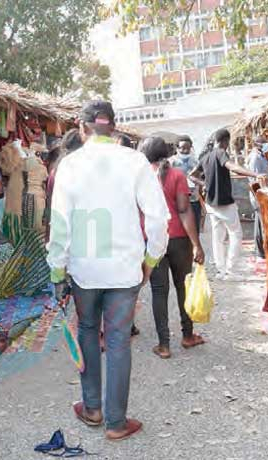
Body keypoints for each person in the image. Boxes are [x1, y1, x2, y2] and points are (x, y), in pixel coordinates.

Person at [48, 100, 170, 441]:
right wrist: (151, 259)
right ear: (114, 126)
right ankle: (116, 422)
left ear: (82, 126)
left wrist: (57, 271)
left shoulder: (69, 165)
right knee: (117, 340)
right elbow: (159, 217)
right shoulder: (135, 161)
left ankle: (92, 408)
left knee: (88, 330)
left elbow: (59, 225)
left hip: (84, 269)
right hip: (125, 269)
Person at [139, 137, 207, 359]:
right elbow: (184, 211)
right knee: (182, 287)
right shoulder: (177, 175)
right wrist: (197, 245)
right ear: (167, 154)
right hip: (178, 239)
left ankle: (164, 345)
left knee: (159, 292)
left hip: (152, 240)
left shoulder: (140, 179)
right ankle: (188, 336)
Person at [191, 128, 268, 280]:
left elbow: (192, 175)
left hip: (211, 204)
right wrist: (255, 174)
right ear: (225, 141)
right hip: (224, 203)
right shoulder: (221, 153)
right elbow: (232, 167)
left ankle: (221, 271)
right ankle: (230, 271)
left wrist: (204, 184)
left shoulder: (206, 157)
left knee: (217, 237)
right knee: (235, 234)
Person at [246, 136, 268, 259]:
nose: (266, 145)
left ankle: (260, 251)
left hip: (263, 193)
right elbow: (256, 178)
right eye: (264, 143)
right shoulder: (255, 158)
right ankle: (265, 250)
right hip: (260, 194)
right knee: (264, 223)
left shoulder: (260, 156)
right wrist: (261, 195)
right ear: (257, 144)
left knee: (260, 223)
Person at [171, 135, 202, 235]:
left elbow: (200, 178)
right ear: (177, 148)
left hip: (194, 200)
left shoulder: (196, 161)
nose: (185, 151)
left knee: (195, 230)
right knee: (180, 230)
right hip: (177, 201)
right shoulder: (171, 162)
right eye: (183, 148)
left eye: (188, 148)